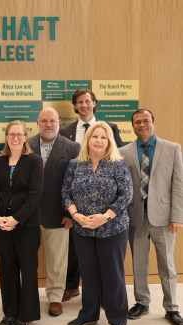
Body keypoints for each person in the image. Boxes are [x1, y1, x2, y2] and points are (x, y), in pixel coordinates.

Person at [62, 121, 133, 325]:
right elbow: (66, 193)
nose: (99, 141)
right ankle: (88, 315)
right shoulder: (75, 164)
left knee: (113, 274)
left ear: (109, 141)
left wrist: (106, 216)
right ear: (88, 140)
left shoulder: (117, 164)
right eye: (95, 136)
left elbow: (126, 195)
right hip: (82, 229)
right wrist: (75, 215)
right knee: (88, 273)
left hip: (113, 228)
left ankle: (117, 318)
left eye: (103, 137)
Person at [59, 88, 123, 304]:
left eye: (88, 101)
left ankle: (103, 295)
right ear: (75, 106)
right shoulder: (65, 130)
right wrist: (71, 212)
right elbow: (65, 179)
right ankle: (72, 286)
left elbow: (118, 159)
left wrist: (107, 215)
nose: (84, 105)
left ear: (94, 103)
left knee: (106, 260)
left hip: (108, 215)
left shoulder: (110, 128)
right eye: (80, 102)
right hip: (78, 210)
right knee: (78, 254)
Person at [120, 109, 183, 325]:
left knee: (167, 264)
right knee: (139, 264)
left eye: (146, 120)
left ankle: (172, 308)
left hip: (164, 218)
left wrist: (177, 216)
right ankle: (142, 303)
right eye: (137, 122)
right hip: (134, 217)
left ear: (153, 122)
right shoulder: (124, 151)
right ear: (133, 126)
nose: (142, 124)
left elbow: (178, 185)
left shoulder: (173, 148)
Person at [0, 120, 44, 325]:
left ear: (25, 137)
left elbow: (35, 193)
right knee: (7, 268)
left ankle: (26, 315)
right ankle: (10, 312)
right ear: (6, 137)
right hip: (2, 224)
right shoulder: (1, 161)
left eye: (19, 135)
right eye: (11, 134)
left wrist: (16, 218)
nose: (15, 138)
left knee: (28, 269)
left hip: (26, 224)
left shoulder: (33, 160)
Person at [28, 108, 80, 317]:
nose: (48, 125)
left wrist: (71, 213)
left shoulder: (72, 147)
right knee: (27, 259)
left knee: (58, 261)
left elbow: (76, 183)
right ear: (37, 123)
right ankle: (28, 296)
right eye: (44, 121)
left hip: (58, 214)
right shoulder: (26, 144)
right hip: (28, 215)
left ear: (59, 122)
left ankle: (55, 298)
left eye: (52, 121)